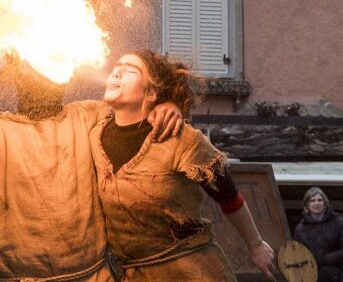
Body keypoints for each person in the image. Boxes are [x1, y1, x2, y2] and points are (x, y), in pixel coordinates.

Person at [0, 62, 183, 282]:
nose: (39, 75)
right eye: (30, 70)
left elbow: (142, 116)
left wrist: (166, 106)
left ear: (63, 77)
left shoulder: (91, 116)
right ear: (17, 80)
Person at [88, 50, 275, 281]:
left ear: (152, 92)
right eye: (117, 66)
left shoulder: (182, 139)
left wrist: (256, 245)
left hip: (193, 271)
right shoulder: (93, 134)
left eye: (131, 70)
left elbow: (229, 196)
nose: (117, 72)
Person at [294, 187, 343, 282]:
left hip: (335, 275)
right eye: (312, 200)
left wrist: (325, 259)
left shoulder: (338, 223)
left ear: (325, 203)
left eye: (320, 200)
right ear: (307, 205)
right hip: (309, 277)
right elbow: (296, 255)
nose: (316, 203)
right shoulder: (300, 228)